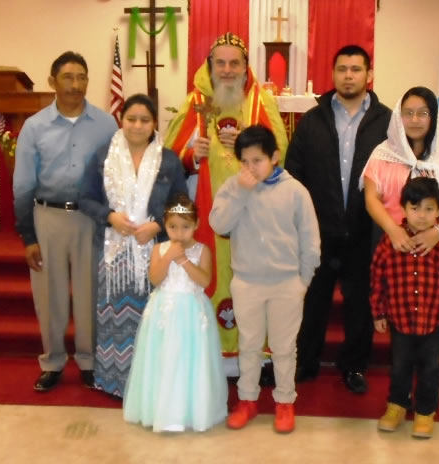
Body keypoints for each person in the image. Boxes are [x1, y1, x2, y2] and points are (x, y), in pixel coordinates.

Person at [164, 32, 288, 360]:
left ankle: (254, 356)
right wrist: (192, 156)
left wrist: (250, 147)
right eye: (221, 63)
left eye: (235, 63)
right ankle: (210, 354)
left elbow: (281, 153)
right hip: (205, 213)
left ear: (246, 67)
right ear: (210, 65)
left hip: (254, 216)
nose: (228, 70)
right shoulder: (196, 102)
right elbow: (169, 158)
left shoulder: (261, 102)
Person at [285, 45, 392, 394]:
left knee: (359, 304)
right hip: (319, 229)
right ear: (333, 74)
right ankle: (306, 362)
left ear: (369, 75)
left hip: (365, 229)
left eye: (356, 69)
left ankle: (354, 367)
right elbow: (294, 172)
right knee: (313, 300)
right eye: (342, 69)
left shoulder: (387, 122)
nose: (349, 76)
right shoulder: (312, 120)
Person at [13, 51, 117, 392]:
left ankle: (89, 361)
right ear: (52, 82)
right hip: (48, 218)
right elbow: (23, 185)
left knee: (90, 294)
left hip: (90, 219)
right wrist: (29, 237)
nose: (75, 84)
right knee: (49, 295)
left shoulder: (106, 124)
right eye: (68, 77)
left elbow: (115, 177)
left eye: (81, 77)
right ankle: (53, 361)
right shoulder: (35, 127)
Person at [209, 125, 320, 433]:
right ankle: (247, 400)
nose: (250, 168)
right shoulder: (234, 187)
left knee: (284, 347)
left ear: (274, 157)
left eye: (257, 160)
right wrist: (242, 192)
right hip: (247, 281)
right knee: (249, 345)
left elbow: (310, 239)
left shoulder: (295, 191)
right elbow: (219, 224)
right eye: (244, 162)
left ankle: (284, 401)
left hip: (287, 283)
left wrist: (303, 280)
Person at [94, 94, 188, 398]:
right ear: (121, 120)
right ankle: (115, 382)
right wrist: (110, 216)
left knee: (155, 320)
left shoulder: (168, 160)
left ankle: (152, 386)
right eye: (131, 119)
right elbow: (85, 198)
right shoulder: (103, 156)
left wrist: (158, 225)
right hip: (114, 255)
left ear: (154, 123)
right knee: (115, 320)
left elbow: (182, 204)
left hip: (155, 253)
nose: (137, 125)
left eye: (144, 120)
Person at [123, 194, 228, 432]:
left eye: (185, 227)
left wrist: (184, 261)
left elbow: (205, 281)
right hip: (164, 312)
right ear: (164, 224)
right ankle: (162, 411)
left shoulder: (202, 251)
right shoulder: (159, 249)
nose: (179, 233)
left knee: (189, 359)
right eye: (173, 227)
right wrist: (169, 257)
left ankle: (190, 411)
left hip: (191, 312)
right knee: (164, 358)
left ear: (196, 225)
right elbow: (155, 279)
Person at [371, 177, 439, 440]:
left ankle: (425, 411)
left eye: (429, 209)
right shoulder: (391, 241)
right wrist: (378, 312)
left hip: (434, 321)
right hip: (400, 319)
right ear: (403, 208)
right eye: (415, 208)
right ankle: (397, 405)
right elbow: (377, 277)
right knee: (400, 366)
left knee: (430, 367)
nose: (422, 216)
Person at [362, 86, 439, 258]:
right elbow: (371, 198)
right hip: (391, 240)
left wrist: (438, 232)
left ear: (433, 117)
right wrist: (393, 230)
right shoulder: (383, 153)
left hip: (437, 242)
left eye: (423, 113)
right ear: (399, 117)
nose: (414, 120)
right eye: (408, 113)